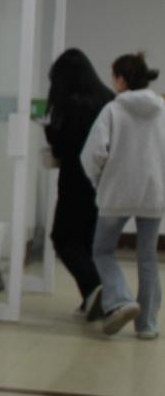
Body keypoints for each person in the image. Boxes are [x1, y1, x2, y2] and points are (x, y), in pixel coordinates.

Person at [80, 52, 165, 339]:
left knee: (102, 250)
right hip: (153, 194)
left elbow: (93, 154)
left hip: (116, 194)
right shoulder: (162, 110)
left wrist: (98, 181)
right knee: (148, 258)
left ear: (121, 79)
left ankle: (121, 300)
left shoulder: (113, 111)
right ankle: (147, 326)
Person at [44, 49, 114, 319]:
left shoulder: (72, 106)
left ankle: (97, 290)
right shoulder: (108, 100)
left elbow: (64, 148)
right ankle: (92, 299)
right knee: (88, 242)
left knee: (63, 238)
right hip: (104, 182)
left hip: (76, 181)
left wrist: (49, 130)